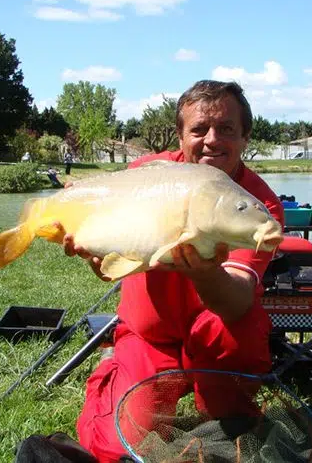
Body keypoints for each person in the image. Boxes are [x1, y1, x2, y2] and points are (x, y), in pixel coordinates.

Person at [62, 80, 284, 462]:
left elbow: (236, 303)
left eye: (227, 129)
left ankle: (222, 401)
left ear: (245, 136)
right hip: (151, 331)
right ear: (180, 137)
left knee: (230, 428)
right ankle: (113, 373)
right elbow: (111, 250)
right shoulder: (145, 175)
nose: (212, 140)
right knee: (117, 447)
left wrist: (204, 273)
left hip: (219, 331)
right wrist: (98, 258)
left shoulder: (259, 206)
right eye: (198, 129)